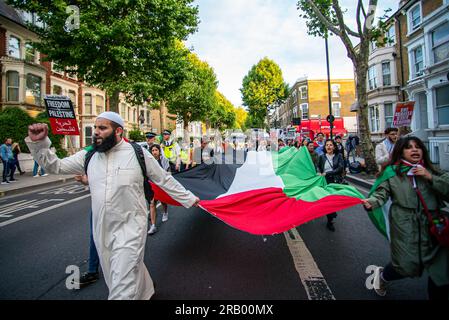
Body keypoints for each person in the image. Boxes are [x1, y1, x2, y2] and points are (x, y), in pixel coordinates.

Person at [25, 112, 199, 300]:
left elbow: (164, 179)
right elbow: (55, 166)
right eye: (96, 128)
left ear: (118, 131)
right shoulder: (89, 155)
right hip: (102, 228)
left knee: (122, 283)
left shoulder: (138, 153)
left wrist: (189, 199)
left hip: (131, 226)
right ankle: (146, 289)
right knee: (114, 272)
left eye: (102, 128)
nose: (96, 132)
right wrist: (40, 144)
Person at [362, 136, 449, 300]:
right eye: (409, 147)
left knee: (440, 273)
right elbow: (381, 193)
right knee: (405, 266)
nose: (415, 150)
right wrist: (372, 202)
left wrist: (430, 177)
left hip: (434, 225)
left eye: (418, 147)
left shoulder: (432, 170)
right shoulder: (391, 173)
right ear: (401, 152)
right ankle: (382, 276)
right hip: (404, 226)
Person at [317, 139, 345, 232]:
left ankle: (332, 212)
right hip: (325, 181)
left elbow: (340, 168)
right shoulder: (322, 157)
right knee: (328, 201)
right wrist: (318, 173)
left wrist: (328, 173)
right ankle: (330, 220)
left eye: (331, 145)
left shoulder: (339, 156)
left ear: (334, 147)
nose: (328, 146)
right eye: (327, 145)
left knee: (334, 200)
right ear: (325, 147)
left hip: (335, 180)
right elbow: (318, 167)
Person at [148, 144, 171, 235]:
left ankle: (165, 212)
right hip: (152, 184)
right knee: (152, 203)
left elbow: (168, 172)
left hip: (161, 184)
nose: (154, 152)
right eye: (152, 150)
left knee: (162, 201)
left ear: (159, 151)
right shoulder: (149, 161)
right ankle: (153, 225)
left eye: (156, 150)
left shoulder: (164, 160)